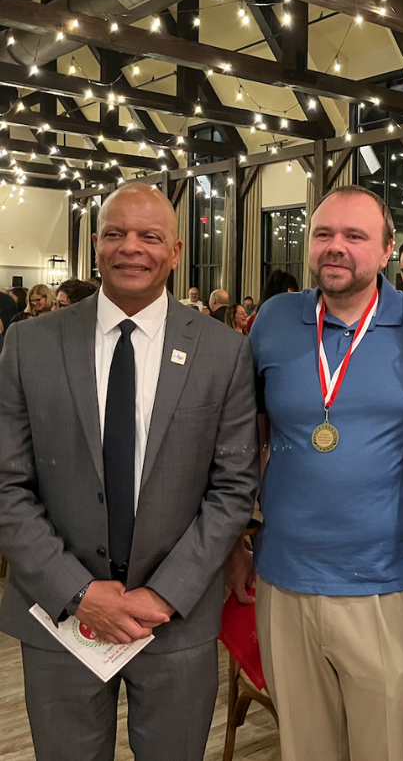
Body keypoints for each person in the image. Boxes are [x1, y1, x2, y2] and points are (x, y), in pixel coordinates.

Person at [0, 182, 260, 761]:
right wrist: (79, 593)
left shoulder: (223, 352)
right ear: (96, 245)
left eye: (149, 236)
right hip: (60, 618)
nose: (130, 248)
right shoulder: (29, 344)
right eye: (115, 234)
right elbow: (6, 485)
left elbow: (234, 487)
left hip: (174, 620)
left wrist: (164, 595)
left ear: (175, 251)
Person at [227, 184, 403, 761]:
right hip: (284, 580)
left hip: (390, 585)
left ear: (388, 248)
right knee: (305, 749)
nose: (335, 247)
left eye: (354, 235)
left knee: (393, 749)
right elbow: (244, 437)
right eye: (323, 234)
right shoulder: (275, 319)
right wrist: (235, 541)